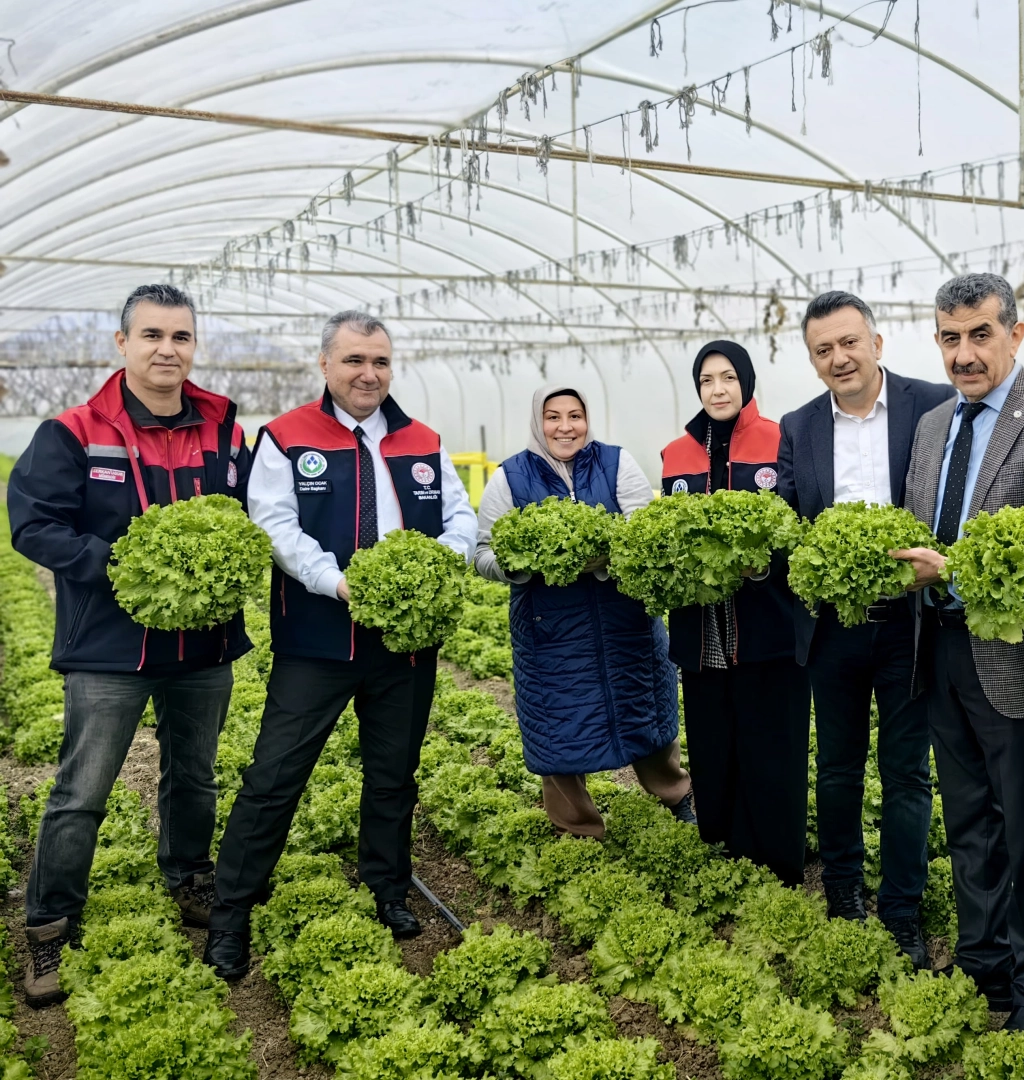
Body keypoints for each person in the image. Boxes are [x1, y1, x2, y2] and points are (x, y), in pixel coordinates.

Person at [203, 310, 476, 979]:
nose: (368, 374)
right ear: (325, 365)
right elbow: (273, 522)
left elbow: (459, 515)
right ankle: (230, 913)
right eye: (354, 360)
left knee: (392, 778)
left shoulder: (422, 439)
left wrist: (444, 560)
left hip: (404, 646)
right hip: (318, 641)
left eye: (380, 361)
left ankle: (388, 889)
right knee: (273, 779)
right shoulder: (288, 436)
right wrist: (336, 582)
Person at [7, 284, 253, 1007]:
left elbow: (244, 518)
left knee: (196, 776)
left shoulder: (223, 427)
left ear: (193, 346)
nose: (166, 350)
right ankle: (50, 925)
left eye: (179, 337)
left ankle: (188, 877)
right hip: (110, 648)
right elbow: (33, 525)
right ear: (122, 344)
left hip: (203, 646)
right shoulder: (75, 431)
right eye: (151, 336)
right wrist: (123, 565)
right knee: (82, 791)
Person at [890, 272, 1024, 1041]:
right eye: (949, 338)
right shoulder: (936, 425)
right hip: (937, 647)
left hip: (1014, 658)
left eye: (978, 334)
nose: (963, 353)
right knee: (968, 817)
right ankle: (984, 962)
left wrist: (952, 571)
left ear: (1015, 332)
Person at [777, 291, 954, 965]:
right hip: (834, 626)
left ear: (876, 344)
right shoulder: (798, 425)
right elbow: (788, 512)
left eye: (849, 343)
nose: (838, 358)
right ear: (812, 359)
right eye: (823, 349)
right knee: (840, 764)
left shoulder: (931, 403)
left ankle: (902, 907)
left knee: (907, 770)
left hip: (912, 624)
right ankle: (845, 890)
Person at [473, 385, 693, 836]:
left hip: (624, 620)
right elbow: (483, 554)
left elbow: (644, 530)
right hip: (549, 630)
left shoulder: (616, 462)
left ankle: (676, 795)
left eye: (575, 415)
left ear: (587, 419)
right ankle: (577, 826)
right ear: (539, 422)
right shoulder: (509, 477)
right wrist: (526, 564)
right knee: (557, 726)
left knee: (647, 714)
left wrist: (606, 557)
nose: (565, 426)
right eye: (553, 417)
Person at [661, 340, 810, 886]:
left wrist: (763, 564)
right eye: (706, 380)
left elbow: (799, 528)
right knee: (714, 743)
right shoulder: (675, 453)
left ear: (745, 382)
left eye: (727, 378)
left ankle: (777, 860)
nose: (717, 389)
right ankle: (721, 846)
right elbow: (667, 541)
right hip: (701, 632)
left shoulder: (781, 438)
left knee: (772, 745)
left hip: (767, 627)